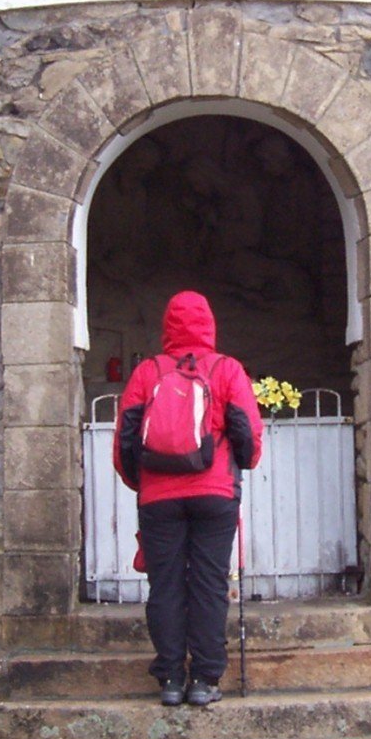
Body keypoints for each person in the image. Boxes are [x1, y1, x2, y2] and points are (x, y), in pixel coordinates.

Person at [112, 291, 263, 706]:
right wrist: (240, 465)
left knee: (165, 586)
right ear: (209, 324)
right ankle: (205, 680)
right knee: (209, 585)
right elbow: (247, 435)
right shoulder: (227, 369)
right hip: (214, 494)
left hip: (159, 498)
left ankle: (171, 680)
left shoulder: (148, 372)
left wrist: (140, 483)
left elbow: (125, 440)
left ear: (168, 327)